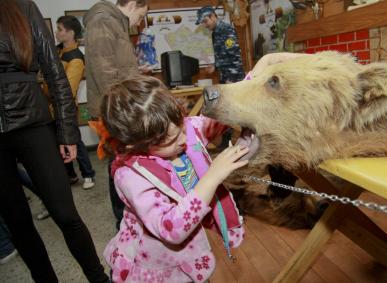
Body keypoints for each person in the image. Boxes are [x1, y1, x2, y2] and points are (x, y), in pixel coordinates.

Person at [99, 76, 248, 282]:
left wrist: (254, 79)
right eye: (171, 140)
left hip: (187, 253)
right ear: (136, 144)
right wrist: (212, 177)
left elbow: (214, 122)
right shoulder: (131, 177)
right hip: (156, 267)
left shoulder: (180, 130)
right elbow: (171, 228)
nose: (185, 140)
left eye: (182, 128)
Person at [0, 1, 109, 282]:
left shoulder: (21, 6)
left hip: (31, 119)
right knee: (17, 223)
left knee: (65, 214)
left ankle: (98, 278)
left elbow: (53, 69)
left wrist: (66, 131)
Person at [84, 0, 149, 229]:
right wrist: (125, 111)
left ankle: (129, 215)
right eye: (142, 14)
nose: (140, 21)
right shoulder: (103, 21)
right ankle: (122, 219)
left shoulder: (113, 23)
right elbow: (106, 76)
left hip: (119, 106)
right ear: (133, 3)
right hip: (114, 109)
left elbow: (118, 69)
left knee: (123, 162)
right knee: (119, 165)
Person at [55, 15, 96, 189]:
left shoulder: (76, 57)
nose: (57, 33)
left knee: (74, 141)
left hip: (65, 106)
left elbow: (67, 88)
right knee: (60, 142)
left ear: (70, 33)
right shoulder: (58, 51)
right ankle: (70, 175)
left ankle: (88, 174)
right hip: (53, 106)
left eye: (60, 29)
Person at [196, 5, 245, 84]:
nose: (205, 25)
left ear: (212, 16)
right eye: (203, 23)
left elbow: (234, 55)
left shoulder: (227, 29)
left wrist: (232, 79)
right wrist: (214, 66)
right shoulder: (215, 33)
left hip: (234, 79)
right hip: (224, 77)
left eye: (205, 21)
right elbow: (223, 56)